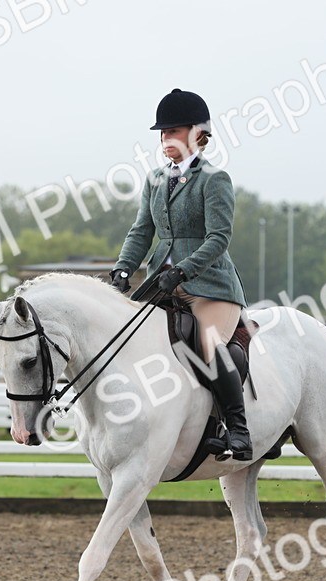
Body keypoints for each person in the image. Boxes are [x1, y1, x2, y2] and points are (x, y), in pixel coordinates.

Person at [109, 88, 251, 460]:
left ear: (196, 134)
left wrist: (184, 270)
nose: (164, 140)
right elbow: (142, 230)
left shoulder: (214, 179)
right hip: (161, 281)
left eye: (172, 132)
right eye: (162, 134)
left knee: (207, 345)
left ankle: (238, 429)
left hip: (210, 285)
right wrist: (124, 267)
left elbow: (219, 238)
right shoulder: (155, 179)